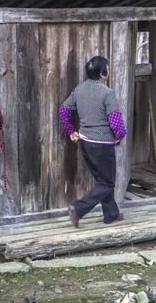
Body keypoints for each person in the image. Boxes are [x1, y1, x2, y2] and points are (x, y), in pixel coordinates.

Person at [58, 56, 127, 227]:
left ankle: (111, 213)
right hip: (102, 145)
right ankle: (78, 209)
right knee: (108, 181)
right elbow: (115, 121)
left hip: (85, 143)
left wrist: (70, 130)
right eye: (108, 68)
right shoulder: (107, 93)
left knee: (102, 179)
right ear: (103, 73)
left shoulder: (79, 89)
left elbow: (63, 110)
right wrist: (120, 135)